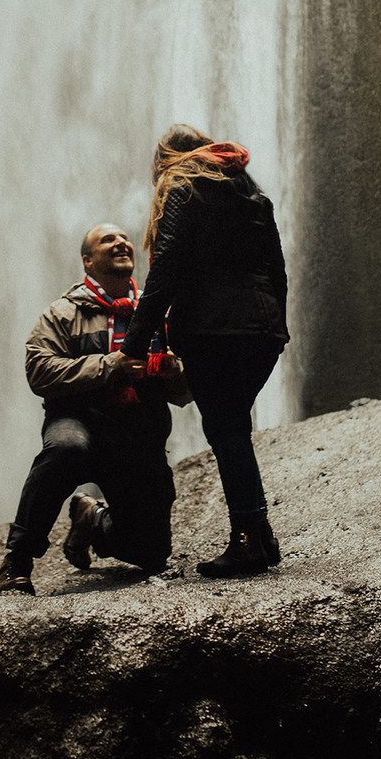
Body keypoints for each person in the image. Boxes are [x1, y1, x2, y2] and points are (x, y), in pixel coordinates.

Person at [122, 124, 288, 578]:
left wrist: (133, 345)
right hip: (263, 330)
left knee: (226, 428)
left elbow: (166, 270)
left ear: (165, 158)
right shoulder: (253, 196)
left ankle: (248, 542)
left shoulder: (181, 187)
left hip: (215, 331)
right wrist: (280, 326)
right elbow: (277, 270)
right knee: (232, 424)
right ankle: (260, 533)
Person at [0, 222, 191, 595]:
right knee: (66, 449)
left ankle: (92, 518)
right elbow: (39, 371)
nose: (120, 242)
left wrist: (173, 370)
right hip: (77, 422)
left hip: (136, 435)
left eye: (123, 238)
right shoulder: (63, 314)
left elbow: (185, 392)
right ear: (87, 261)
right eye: (107, 240)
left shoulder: (155, 314)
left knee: (152, 554)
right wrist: (110, 365)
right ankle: (18, 558)